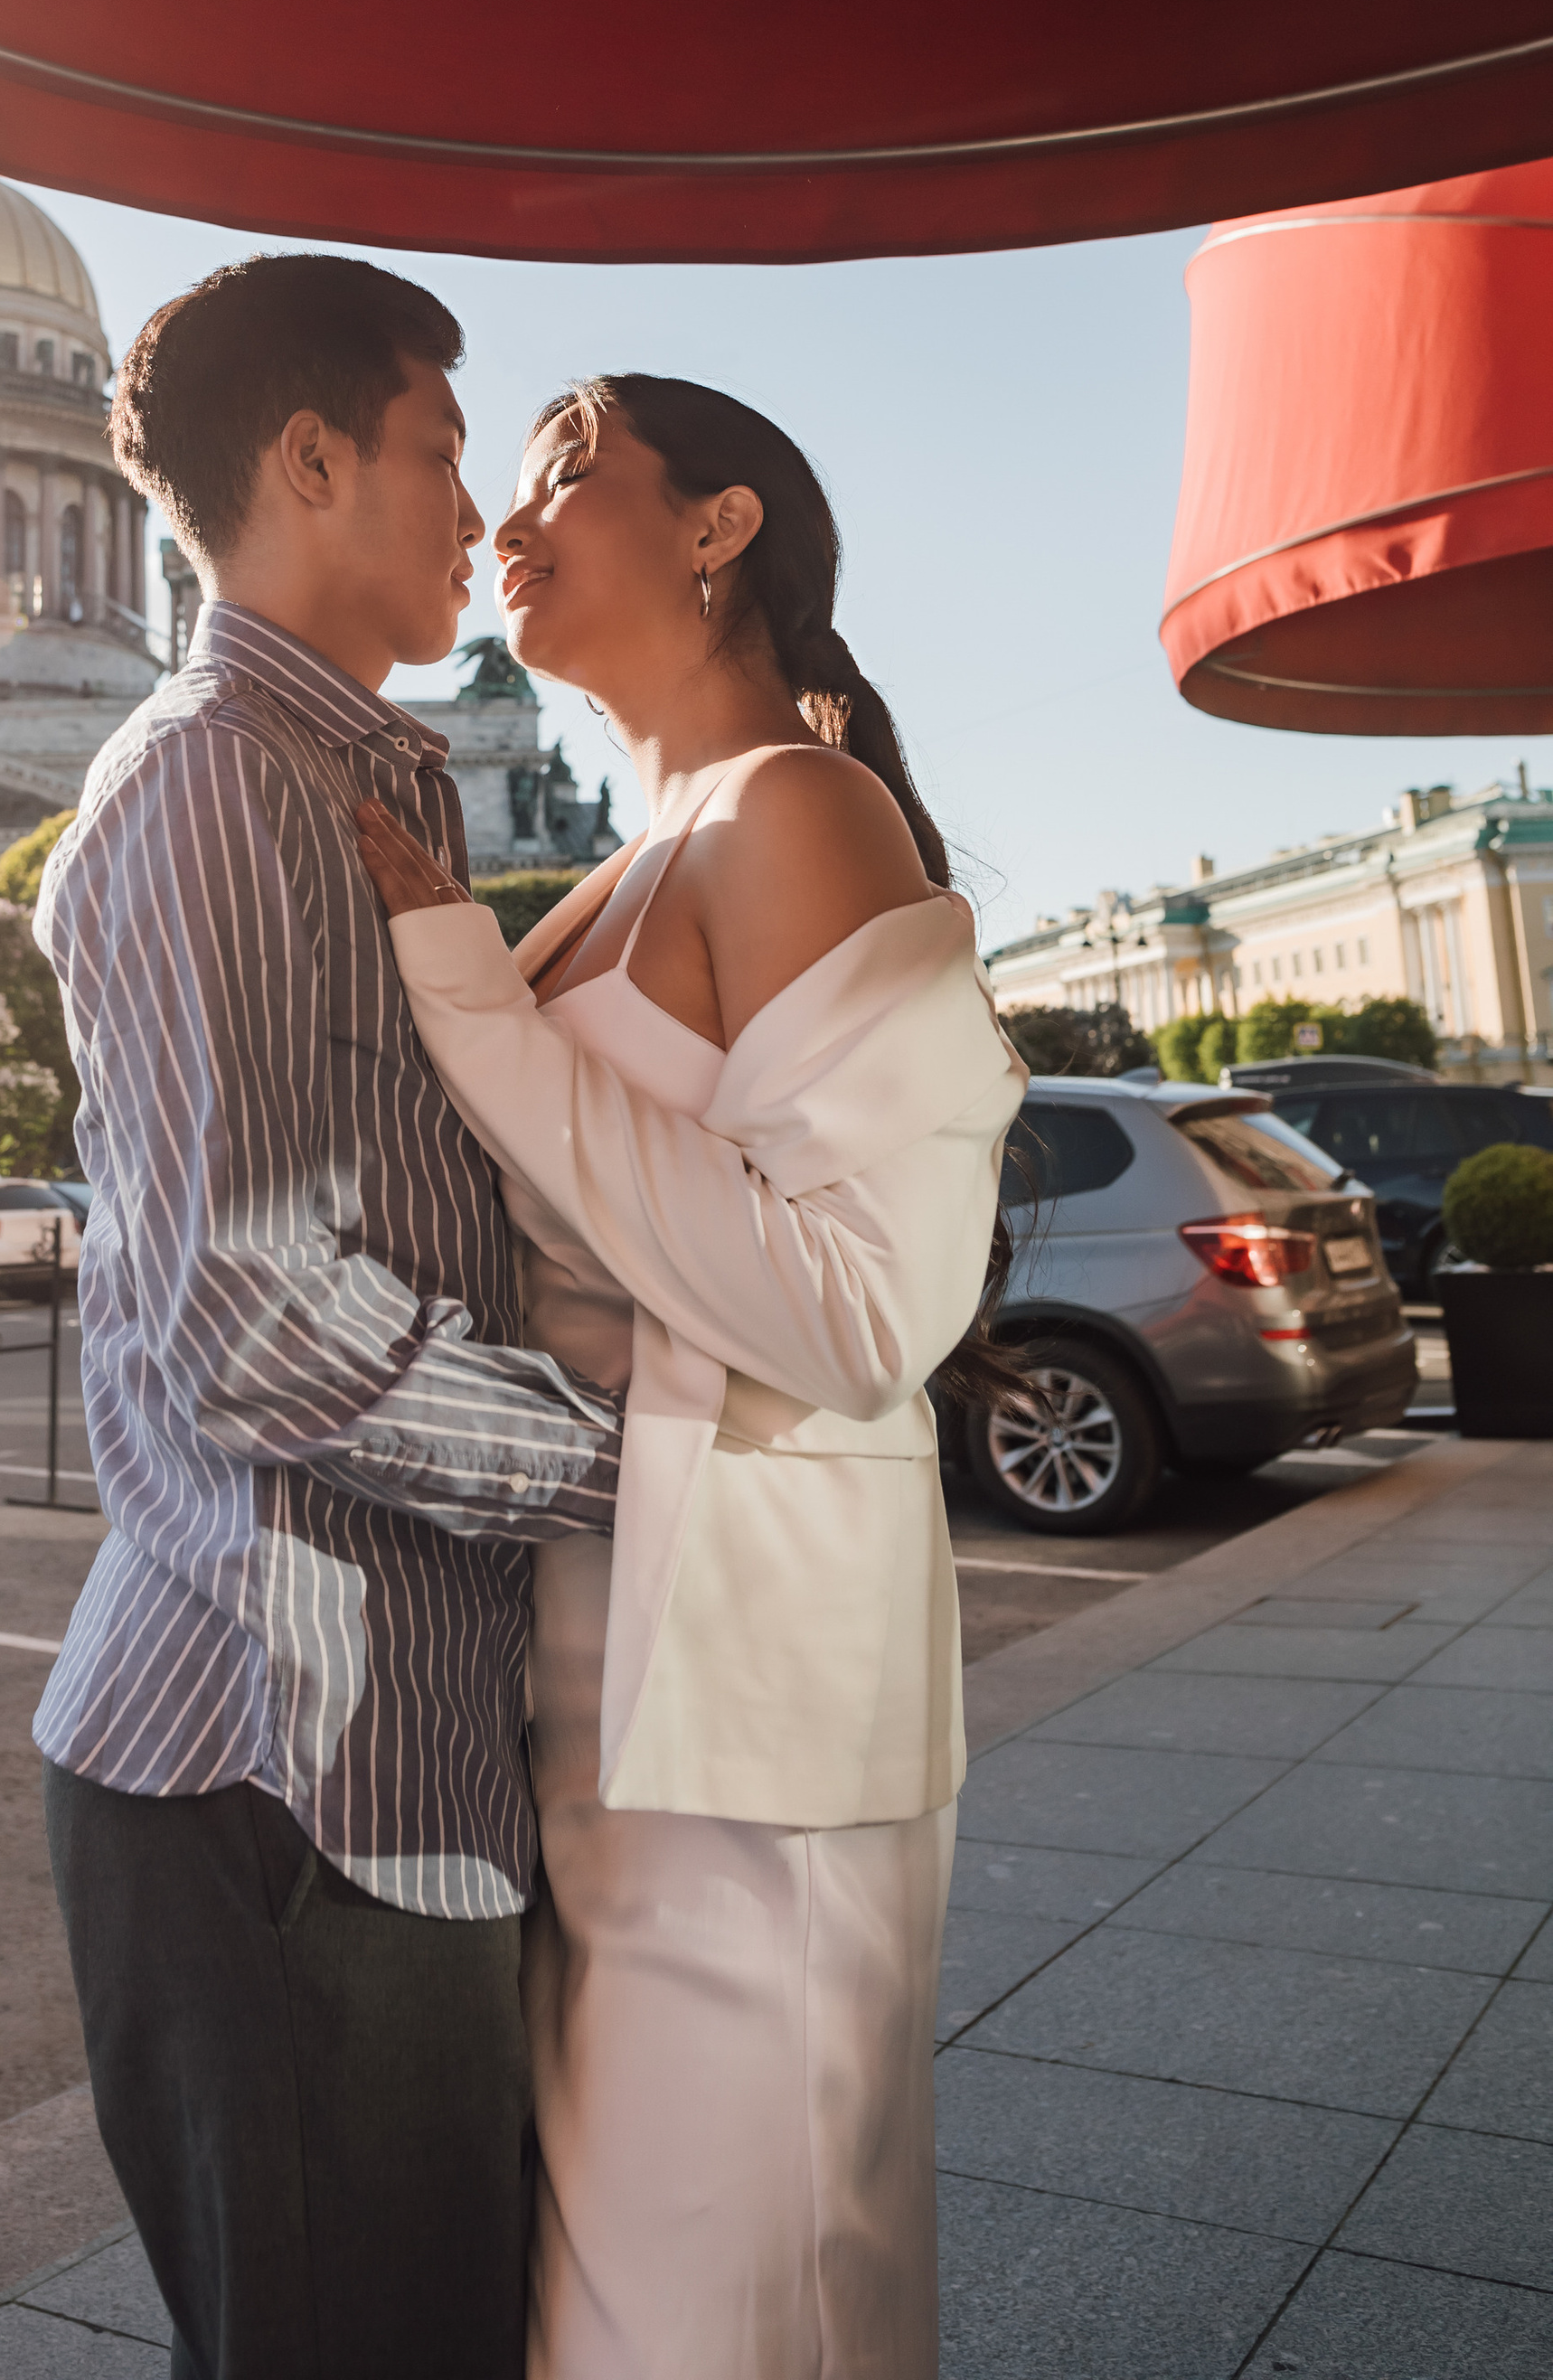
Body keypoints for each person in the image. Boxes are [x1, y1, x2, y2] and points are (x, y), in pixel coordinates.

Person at [354, 374, 1024, 2380]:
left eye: (569, 473)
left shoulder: (797, 811)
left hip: (745, 1701)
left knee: (712, 2307)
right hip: (599, 1671)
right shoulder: (634, 860)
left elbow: (858, 1316)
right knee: (636, 2302)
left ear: (718, 527)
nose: (508, 517)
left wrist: (470, 1007)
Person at [33, 256, 625, 2380]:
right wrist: (643, 1470)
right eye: (441, 454)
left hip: (386, 1749)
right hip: (277, 1774)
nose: (474, 514)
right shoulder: (215, 783)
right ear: (305, 460)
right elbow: (253, 1314)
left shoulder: (361, 781)